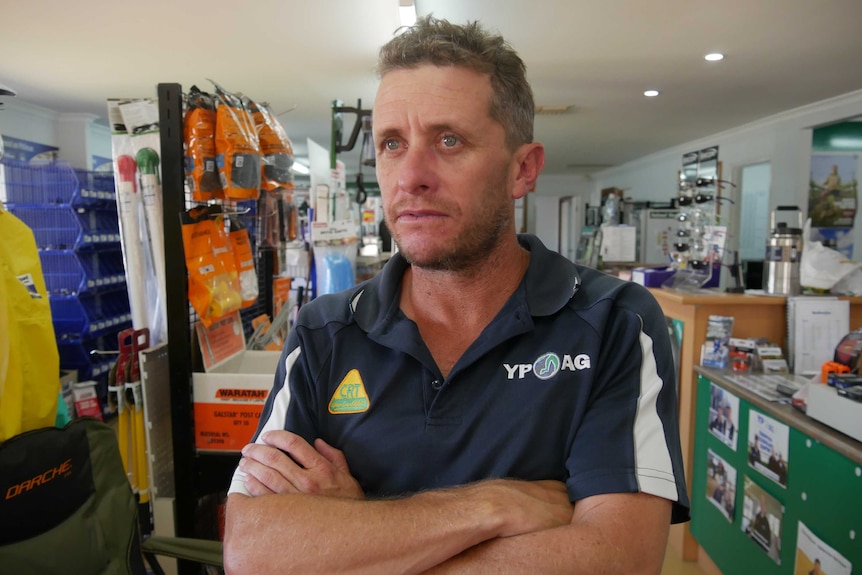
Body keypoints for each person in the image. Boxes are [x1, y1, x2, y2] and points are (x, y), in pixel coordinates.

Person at [223, 15, 690, 574]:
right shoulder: (324, 334)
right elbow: (253, 551)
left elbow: (617, 561)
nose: (411, 175)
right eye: (392, 144)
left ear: (522, 169)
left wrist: (356, 537)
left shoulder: (614, 322)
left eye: (449, 140)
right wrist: (493, 505)